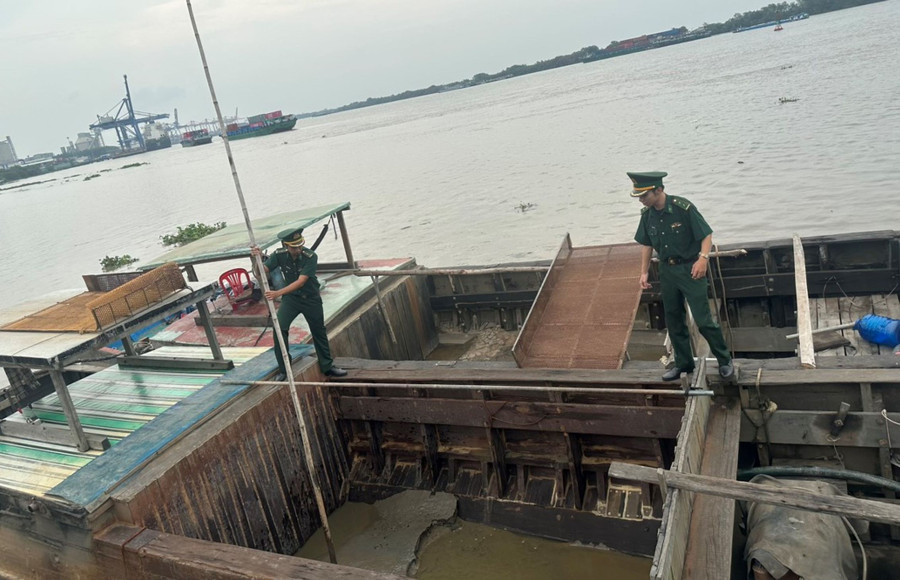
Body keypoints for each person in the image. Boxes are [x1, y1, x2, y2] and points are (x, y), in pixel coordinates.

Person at [630, 171, 734, 381]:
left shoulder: (682, 207)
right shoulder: (647, 215)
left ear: (658, 190)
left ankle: (724, 361)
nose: (640, 200)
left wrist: (703, 259)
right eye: (639, 196)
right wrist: (643, 272)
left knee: (703, 320)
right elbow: (647, 244)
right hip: (667, 272)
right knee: (674, 320)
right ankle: (684, 364)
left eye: (644, 195)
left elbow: (706, 234)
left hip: (690, 269)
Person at [250, 227, 347, 379]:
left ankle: (327, 366)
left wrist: (278, 293)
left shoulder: (310, 256)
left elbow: (301, 282)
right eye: (294, 247)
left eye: (300, 245)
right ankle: (284, 369)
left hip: (310, 299)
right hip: (291, 300)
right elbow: (260, 272)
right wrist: (257, 258)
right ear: (285, 246)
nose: (298, 249)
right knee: (279, 329)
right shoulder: (279, 255)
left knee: (318, 331)